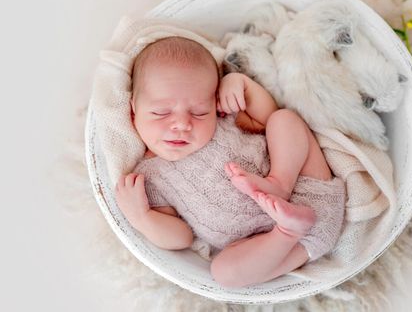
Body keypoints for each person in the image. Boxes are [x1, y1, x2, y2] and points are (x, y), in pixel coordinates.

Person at [115, 36, 345, 288]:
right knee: (224, 272)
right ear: (134, 109)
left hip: (309, 190)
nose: (182, 124)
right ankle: (287, 229)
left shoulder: (224, 120)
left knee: (283, 119)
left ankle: (279, 182)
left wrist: (241, 84)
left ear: (214, 104)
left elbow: (265, 115)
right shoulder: (148, 177)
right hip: (275, 243)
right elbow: (180, 237)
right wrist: (142, 218)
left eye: (199, 112)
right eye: (161, 112)